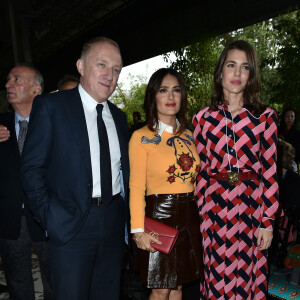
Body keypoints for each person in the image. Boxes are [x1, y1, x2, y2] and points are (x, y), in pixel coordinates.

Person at [20, 37, 130, 300]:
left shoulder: (119, 117)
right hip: (71, 226)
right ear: (81, 66)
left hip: (113, 223)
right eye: (102, 64)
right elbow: (31, 168)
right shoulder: (52, 107)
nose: (110, 75)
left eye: (116, 69)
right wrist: (50, 217)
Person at [193, 40, 279, 299]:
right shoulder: (203, 119)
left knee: (247, 281)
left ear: (251, 75)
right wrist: (201, 214)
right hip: (214, 211)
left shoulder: (265, 117)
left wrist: (268, 221)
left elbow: (271, 172)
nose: (237, 74)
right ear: (221, 71)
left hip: (251, 209)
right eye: (231, 65)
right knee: (216, 280)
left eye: (245, 67)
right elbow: (202, 173)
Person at [129, 68, 203, 300]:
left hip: (189, 215)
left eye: (176, 90)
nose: (171, 97)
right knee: (161, 288)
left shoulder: (190, 136)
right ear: (153, 97)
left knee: (178, 286)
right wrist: (138, 231)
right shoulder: (141, 137)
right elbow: (136, 187)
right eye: (163, 90)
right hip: (158, 215)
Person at [0, 63, 53, 300]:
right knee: (17, 283)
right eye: (9, 79)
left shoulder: (54, 123)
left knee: (56, 280)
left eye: (17, 79)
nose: (8, 84)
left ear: (35, 89)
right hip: (10, 218)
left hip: (47, 216)